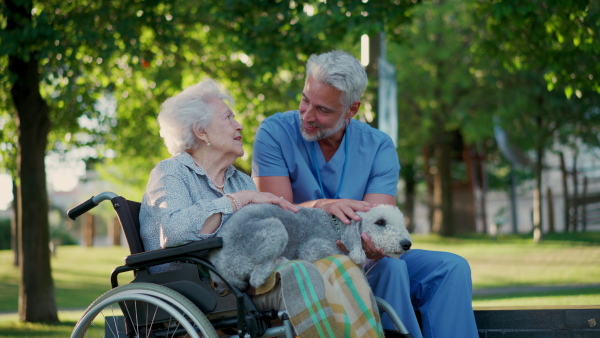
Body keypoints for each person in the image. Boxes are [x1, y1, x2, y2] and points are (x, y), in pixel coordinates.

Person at [252, 50, 479, 338]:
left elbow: (377, 230)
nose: (307, 116)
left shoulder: (378, 146)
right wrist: (323, 205)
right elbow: (277, 213)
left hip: (361, 254)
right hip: (304, 260)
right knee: (393, 271)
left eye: (323, 110)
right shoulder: (274, 133)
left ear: (352, 110)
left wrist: (373, 242)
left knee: (452, 268)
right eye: (305, 100)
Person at [139, 79, 384, 337]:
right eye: (228, 118)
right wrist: (237, 201)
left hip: (248, 281)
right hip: (196, 287)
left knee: (339, 266)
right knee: (299, 273)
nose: (239, 125)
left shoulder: (240, 180)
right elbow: (174, 232)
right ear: (201, 131)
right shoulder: (171, 172)